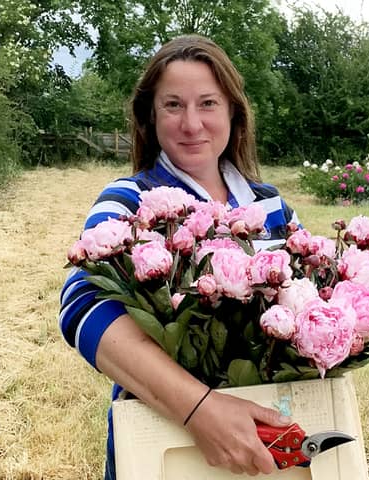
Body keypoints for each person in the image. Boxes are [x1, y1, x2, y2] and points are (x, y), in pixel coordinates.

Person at [59, 34, 302, 479]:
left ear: (234, 112)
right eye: (173, 105)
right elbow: (80, 310)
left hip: (269, 437)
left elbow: (312, 306)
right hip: (164, 438)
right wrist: (200, 410)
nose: (192, 124)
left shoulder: (272, 207)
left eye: (208, 103)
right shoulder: (128, 200)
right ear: (150, 118)